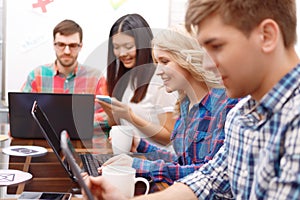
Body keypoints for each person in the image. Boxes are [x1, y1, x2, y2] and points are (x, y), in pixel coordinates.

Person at [82, 0, 300, 199]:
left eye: (216, 46)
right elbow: (208, 179)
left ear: (267, 36)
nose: (206, 64)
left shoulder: (292, 121)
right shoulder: (241, 115)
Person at [99, 26, 238, 185]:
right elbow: (181, 163)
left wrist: (138, 165)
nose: (158, 71)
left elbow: (208, 173)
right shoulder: (186, 105)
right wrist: (140, 145)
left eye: (164, 61)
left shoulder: (225, 105)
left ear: (187, 59)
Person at [97, 14, 177, 149]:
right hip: (130, 159)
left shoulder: (160, 78)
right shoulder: (125, 79)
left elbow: (169, 137)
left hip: (156, 164)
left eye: (128, 46)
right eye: (116, 47)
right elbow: (121, 127)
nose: (122, 53)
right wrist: (112, 114)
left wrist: (130, 116)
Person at [21, 19, 108, 123]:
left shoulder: (96, 78)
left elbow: (108, 116)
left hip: (84, 138)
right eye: (61, 45)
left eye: (73, 45)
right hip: (44, 139)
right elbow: (21, 113)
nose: (67, 51)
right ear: (54, 45)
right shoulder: (36, 76)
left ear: (80, 46)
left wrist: (76, 122)